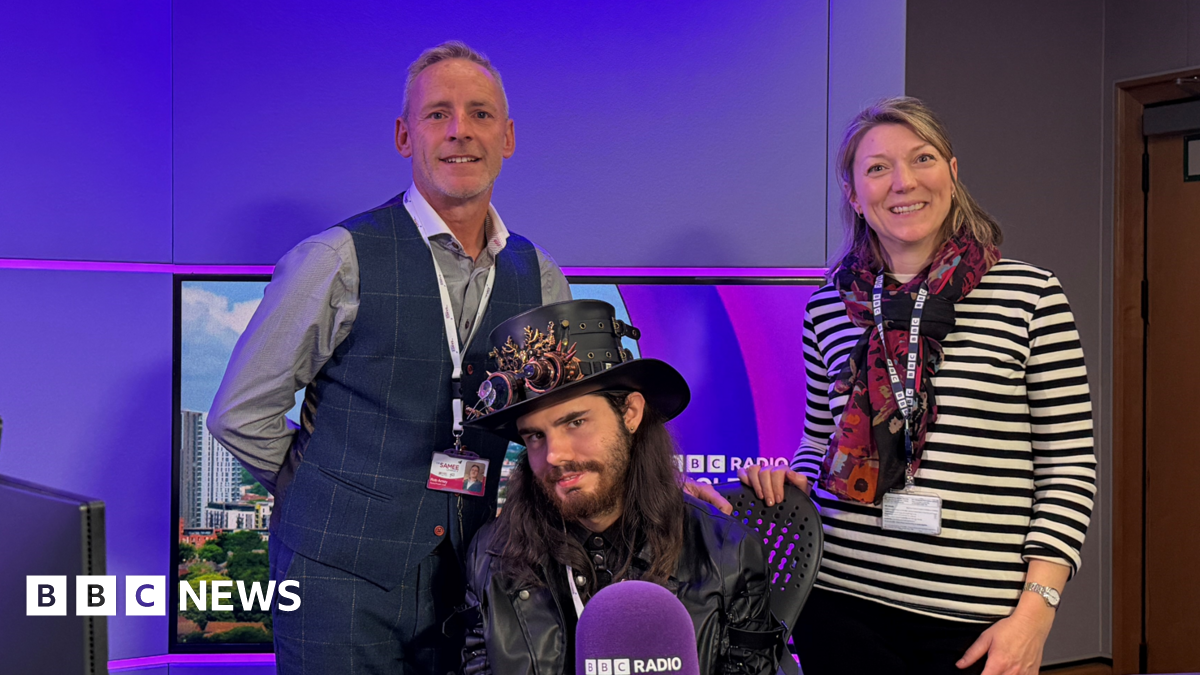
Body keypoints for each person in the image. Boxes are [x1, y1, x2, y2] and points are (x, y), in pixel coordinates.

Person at [207, 41, 571, 674]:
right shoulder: (334, 259)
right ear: (405, 136)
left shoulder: (539, 276)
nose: (461, 131)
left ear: (508, 137)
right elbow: (239, 414)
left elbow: (572, 420)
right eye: (438, 114)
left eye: (481, 114)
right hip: (334, 582)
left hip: (472, 577)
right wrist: (324, 489)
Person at [742, 97, 1096, 675]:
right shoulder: (827, 308)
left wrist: (1036, 614)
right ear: (855, 196)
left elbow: (1069, 469)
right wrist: (794, 477)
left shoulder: (1030, 297)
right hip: (838, 600)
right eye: (878, 168)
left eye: (922, 158)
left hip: (975, 620)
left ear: (952, 174)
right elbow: (818, 439)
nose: (903, 182)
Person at [460, 300, 790, 675]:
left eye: (575, 422)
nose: (554, 455)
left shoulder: (727, 553)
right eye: (535, 436)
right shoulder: (491, 556)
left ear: (630, 413)